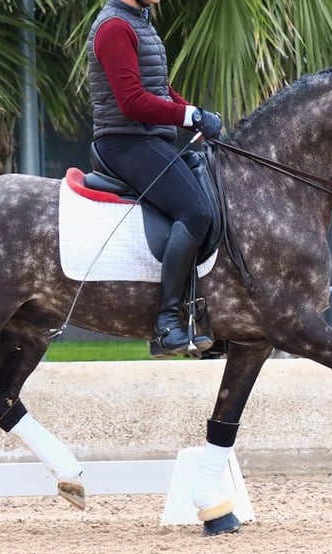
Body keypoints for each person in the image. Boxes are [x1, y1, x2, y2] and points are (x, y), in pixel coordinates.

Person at [87, 0, 223, 358]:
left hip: (149, 139)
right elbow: (132, 102)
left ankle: (205, 314)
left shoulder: (138, 21)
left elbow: (160, 90)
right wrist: (189, 115)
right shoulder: (115, 27)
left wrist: (196, 113)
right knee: (196, 212)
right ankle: (166, 322)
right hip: (126, 143)